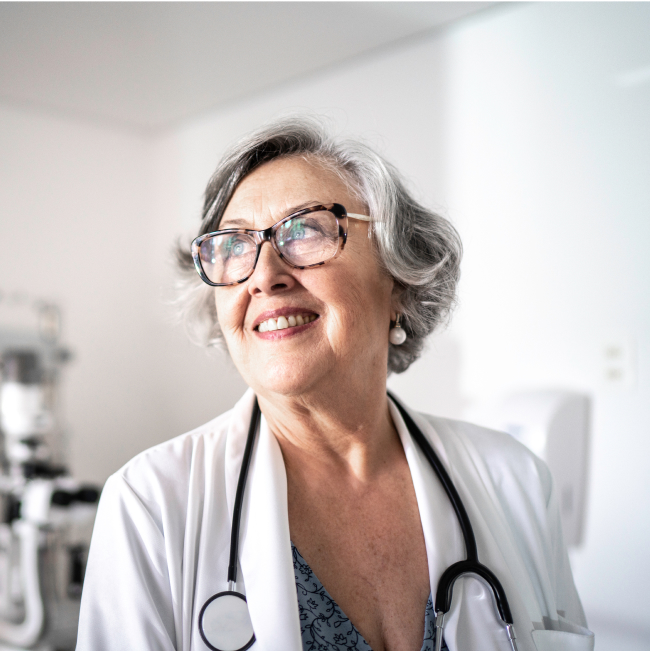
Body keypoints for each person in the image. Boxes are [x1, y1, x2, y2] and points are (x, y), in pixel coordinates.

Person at [76, 117, 594, 651]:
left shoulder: (516, 481)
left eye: (305, 230)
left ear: (399, 281)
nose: (263, 274)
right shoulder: (150, 505)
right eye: (233, 246)